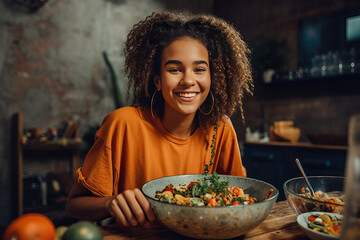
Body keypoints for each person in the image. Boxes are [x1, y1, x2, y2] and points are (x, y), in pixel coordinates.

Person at [66, 11, 253, 228]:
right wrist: (110, 203)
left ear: (212, 77)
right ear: (157, 81)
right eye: (174, 69)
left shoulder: (220, 128)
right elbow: (74, 205)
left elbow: (239, 199)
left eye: (199, 69)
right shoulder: (122, 124)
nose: (188, 80)